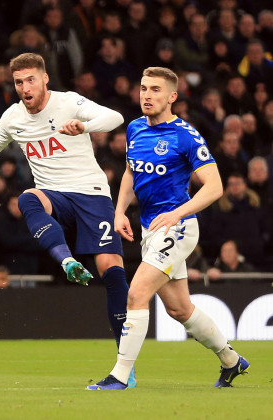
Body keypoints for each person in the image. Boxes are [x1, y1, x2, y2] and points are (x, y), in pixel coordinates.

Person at [0, 53, 134, 386]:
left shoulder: (69, 103)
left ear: (44, 80)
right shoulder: (12, 118)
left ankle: (125, 365)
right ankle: (66, 260)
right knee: (27, 197)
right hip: (53, 196)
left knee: (111, 271)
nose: (24, 88)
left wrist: (85, 125)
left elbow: (114, 117)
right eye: (18, 82)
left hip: (92, 195)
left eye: (30, 80)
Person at [87, 67, 249, 391]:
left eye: (155, 90)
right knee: (179, 309)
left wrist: (177, 214)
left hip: (179, 228)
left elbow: (214, 186)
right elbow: (132, 173)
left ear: (172, 96)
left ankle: (120, 376)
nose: (146, 95)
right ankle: (231, 360)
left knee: (137, 292)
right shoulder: (134, 129)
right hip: (150, 228)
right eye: (143, 88)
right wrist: (119, 211)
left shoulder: (186, 136)